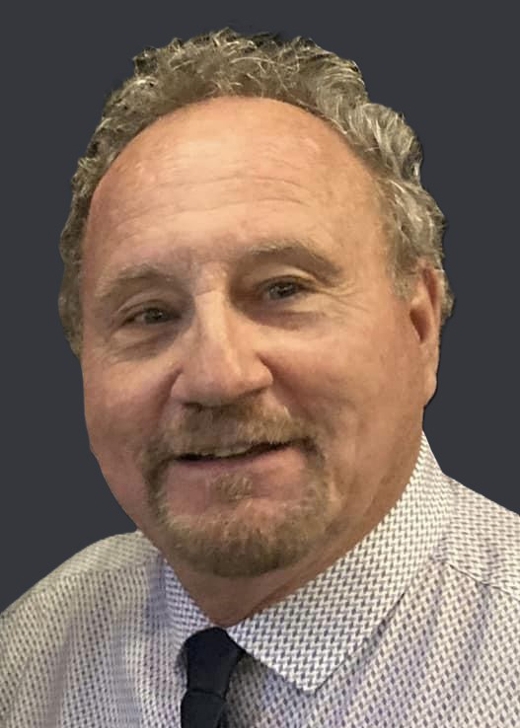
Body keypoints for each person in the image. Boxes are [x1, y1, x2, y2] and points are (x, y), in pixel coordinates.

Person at [1, 27, 519, 728]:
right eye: (149, 313)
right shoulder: (31, 654)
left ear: (419, 326)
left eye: (283, 289)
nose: (217, 376)